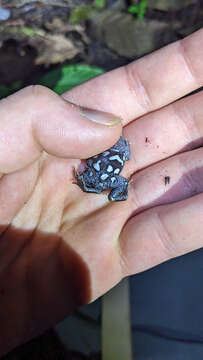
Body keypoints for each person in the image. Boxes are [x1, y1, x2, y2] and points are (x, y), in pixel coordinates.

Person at [0, 28, 202, 356]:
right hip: (103, 171)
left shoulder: (113, 161)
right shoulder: (113, 161)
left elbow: (110, 164)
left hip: (104, 172)